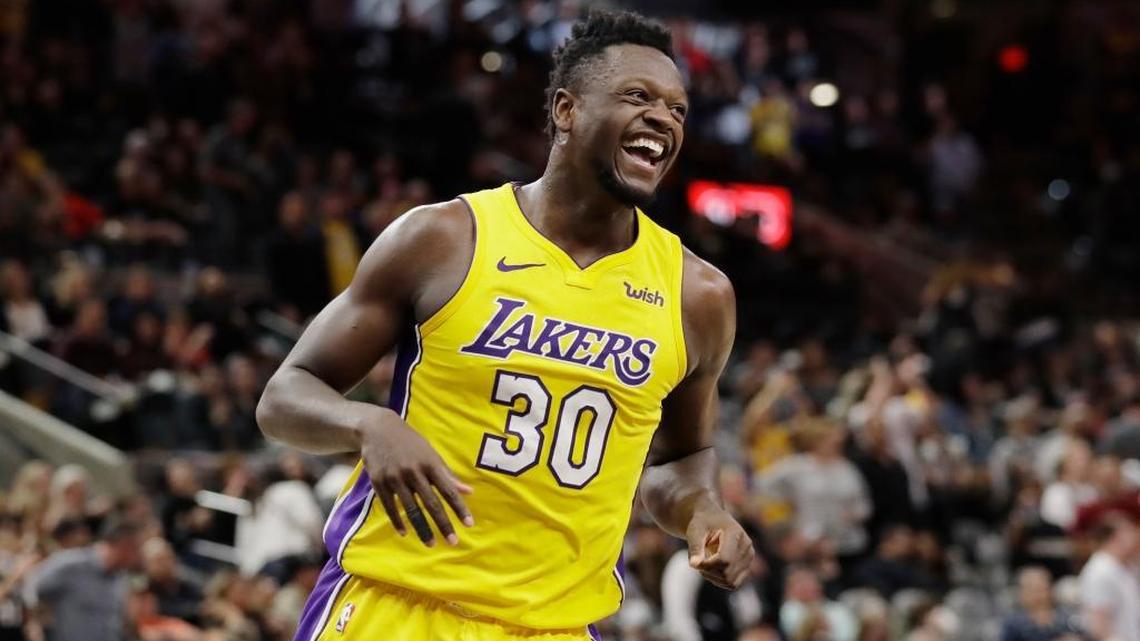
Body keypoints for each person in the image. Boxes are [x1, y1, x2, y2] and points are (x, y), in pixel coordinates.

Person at [256, 9, 754, 641]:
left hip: (556, 627)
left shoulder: (698, 294)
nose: (663, 118)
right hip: (397, 606)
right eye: (638, 97)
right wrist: (369, 423)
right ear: (567, 111)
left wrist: (705, 512)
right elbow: (284, 396)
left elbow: (681, 464)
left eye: (678, 110)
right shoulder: (442, 238)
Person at [29, 517, 143, 641]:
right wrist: (36, 625)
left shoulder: (120, 578)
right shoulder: (70, 565)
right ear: (125, 546)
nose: (139, 556)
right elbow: (30, 591)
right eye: (137, 549)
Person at [1078, 512, 1140, 641]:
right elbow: (1099, 628)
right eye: (1130, 533)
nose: (1136, 537)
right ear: (1116, 538)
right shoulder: (1099, 571)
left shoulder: (1126, 566)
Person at [999, 566, 1084, 641]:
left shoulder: (1066, 617)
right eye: (1032, 590)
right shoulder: (1014, 624)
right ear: (1022, 593)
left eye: (1043, 589)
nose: (1039, 595)